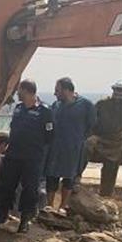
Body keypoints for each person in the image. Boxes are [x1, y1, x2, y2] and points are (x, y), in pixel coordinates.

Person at [0, 79, 55, 233]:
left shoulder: (45, 111)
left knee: (30, 189)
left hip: (32, 158)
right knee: (6, 186)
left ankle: (25, 220)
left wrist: (35, 147)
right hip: (13, 155)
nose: (17, 93)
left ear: (27, 91)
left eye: (19, 90)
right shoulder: (18, 109)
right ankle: (1, 216)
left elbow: (49, 136)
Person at [44, 77, 97, 211]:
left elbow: (92, 125)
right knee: (51, 176)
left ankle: (63, 206)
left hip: (73, 148)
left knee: (69, 177)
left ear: (67, 90)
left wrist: (79, 140)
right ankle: (49, 206)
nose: (55, 94)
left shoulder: (85, 105)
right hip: (55, 147)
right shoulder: (56, 105)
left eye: (58, 90)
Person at [86, 80, 122, 197]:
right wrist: (92, 136)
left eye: (121, 91)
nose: (119, 93)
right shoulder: (102, 104)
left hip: (117, 142)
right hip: (99, 139)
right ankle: (75, 180)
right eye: (117, 90)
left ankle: (106, 194)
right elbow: (90, 122)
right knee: (85, 147)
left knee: (112, 164)